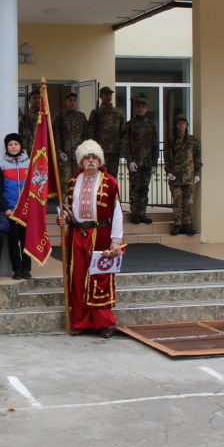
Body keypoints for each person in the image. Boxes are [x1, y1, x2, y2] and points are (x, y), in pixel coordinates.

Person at [57, 139, 124, 337]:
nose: (91, 160)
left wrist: (116, 240)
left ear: (100, 160)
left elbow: (117, 212)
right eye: (87, 157)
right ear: (81, 161)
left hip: (100, 235)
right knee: (78, 278)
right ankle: (80, 322)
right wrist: (63, 218)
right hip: (77, 235)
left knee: (99, 278)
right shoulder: (73, 181)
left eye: (94, 157)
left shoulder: (109, 181)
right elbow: (67, 207)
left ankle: (103, 323)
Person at [0, 133, 31, 280]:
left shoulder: (30, 163)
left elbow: (36, 186)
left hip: (27, 211)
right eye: (10, 144)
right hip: (11, 212)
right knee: (13, 242)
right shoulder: (2, 164)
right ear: (6, 147)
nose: (13, 147)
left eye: (16, 144)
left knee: (27, 242)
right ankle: (17, 269)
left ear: (20, 146)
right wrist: (5, 209)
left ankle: (26, 269)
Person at [121, 95, 159, 225]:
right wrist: (129, 160)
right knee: (135, 188)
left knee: (144, 189)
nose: (140, 109)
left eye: (143, 107)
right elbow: (125, 143)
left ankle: (142, 213)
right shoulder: (130, 124)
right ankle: (135, 214)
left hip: (147, 162)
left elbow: (155, 145)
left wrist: (154, 163)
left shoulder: (151, 125)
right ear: (135, 108)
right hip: (135, 162)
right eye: (138, 106)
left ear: (146, 109)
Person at [164, 114, 201, 236]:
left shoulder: (192, 140)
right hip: (175, 176)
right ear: (176, 126)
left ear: (187, 125)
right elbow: (167, 158)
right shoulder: (171, 140)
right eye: (179, 123)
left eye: (183, 123)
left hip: (189, 176)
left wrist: (197, 173)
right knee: (177, 202)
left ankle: (187, 224)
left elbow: (197, 157)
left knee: (188, 202)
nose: (181, 126)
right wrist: (168, 172)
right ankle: (177, 225)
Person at [86, 86, 125, 180]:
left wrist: (122, 149)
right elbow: (90, 132)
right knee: (99, 176)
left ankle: (111, 191)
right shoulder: (96, 113)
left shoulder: (118, 113)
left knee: (112, 177)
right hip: (100, 151)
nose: (108, 97)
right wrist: (93, 149)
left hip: (114, 151)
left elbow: (123, 132)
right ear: (100, 96)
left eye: (109, 95)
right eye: (105, 95)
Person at [54, 92, 88, 189]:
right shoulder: (60, 117)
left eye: (74, 100)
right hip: (65, 154)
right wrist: (59, 151)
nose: (72, 102)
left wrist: (86, 151)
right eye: (70, 100)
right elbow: (56, 135)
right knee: (65, 181)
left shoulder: (81, 116)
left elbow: (86, 134)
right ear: (66, 102)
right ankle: (65, 198)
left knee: (80, 179)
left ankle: (78, 198)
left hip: (79, 154)